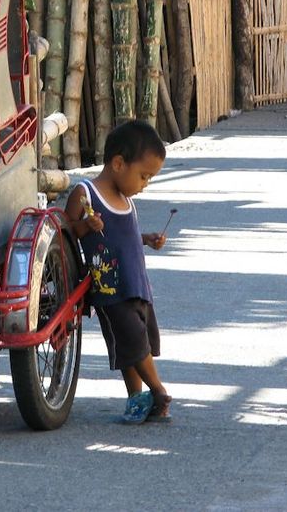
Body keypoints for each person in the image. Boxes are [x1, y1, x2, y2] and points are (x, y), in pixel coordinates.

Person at [66, 120, 172, 423]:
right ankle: (157, 389)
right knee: (133, 342)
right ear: (117, 163)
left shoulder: (126, 201)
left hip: (137, 285)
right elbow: (66, 231)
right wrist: (87, 225)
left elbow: (124, 237)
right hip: (110, 290)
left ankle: (136, 398)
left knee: (135, 344)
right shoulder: (85, 194)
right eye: (143, 175)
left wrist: (147, 239)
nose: (145, 184)